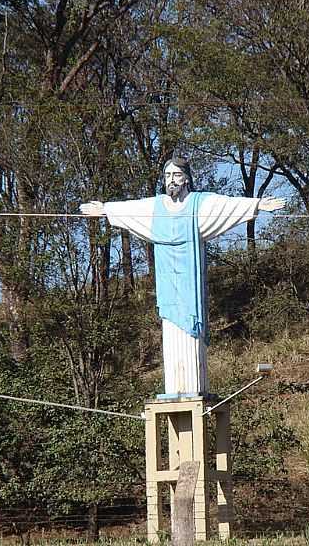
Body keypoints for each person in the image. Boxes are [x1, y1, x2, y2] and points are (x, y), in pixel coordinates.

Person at [80, 157, 285, 397]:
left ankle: (193, 388)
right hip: (168, 287)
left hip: (190, 288)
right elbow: (131, 208)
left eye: (176, 175)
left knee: (191, 340)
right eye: (167, 176)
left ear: (186, 177)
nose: (171, 180)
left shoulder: (198, 205)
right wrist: (105, 209)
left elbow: (226, 205)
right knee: (172, 335)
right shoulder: (156, 209)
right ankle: (175, 389)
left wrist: (258, 205)